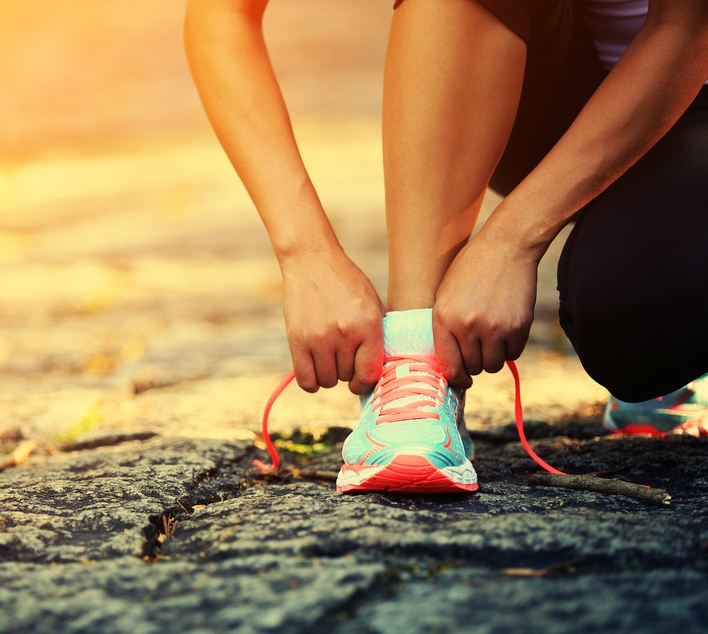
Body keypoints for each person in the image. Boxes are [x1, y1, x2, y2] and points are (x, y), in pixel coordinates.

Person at [183, 0, 708, 493]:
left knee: (632, 314)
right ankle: (416, 354)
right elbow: (221, 15)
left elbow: (685, 28)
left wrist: (511, 241)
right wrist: (306, 255)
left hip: (691, 86)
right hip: (548, 84)